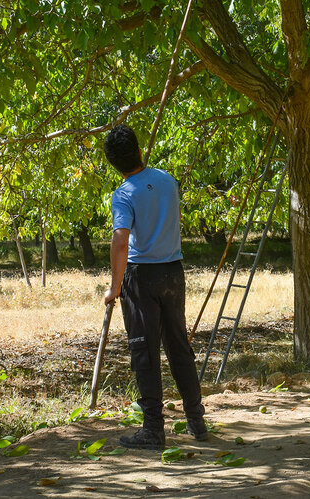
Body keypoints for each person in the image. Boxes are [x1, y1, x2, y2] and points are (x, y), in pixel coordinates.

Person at [102, 125, 207, 449]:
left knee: (143, 353)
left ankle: (153, 430)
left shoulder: (123, 194)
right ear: (138, 150)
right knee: (179, 347)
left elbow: (121, 241)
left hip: (141, 277)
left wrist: (114, 287)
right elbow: (172, 216)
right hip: (173, 272)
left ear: (113, 163)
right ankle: (196, 421)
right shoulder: (167, 180)